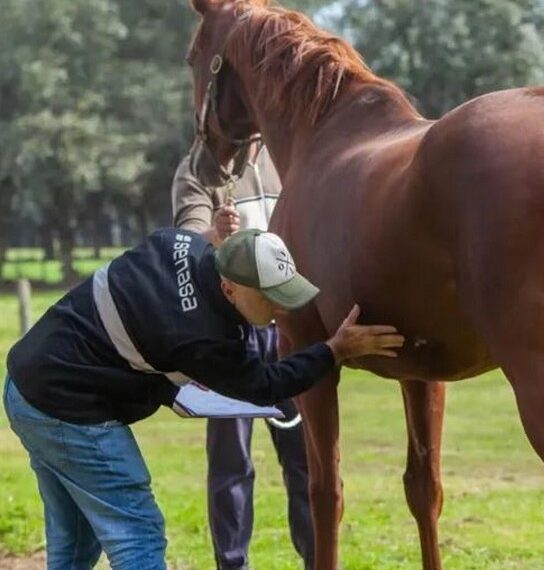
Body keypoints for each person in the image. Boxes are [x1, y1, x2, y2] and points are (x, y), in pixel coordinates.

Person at [4, 227, 404, 570]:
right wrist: (335, 349)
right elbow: (267, 385)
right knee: (137, 532)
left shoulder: (178, 242)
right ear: (229, 287)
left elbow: (150, 304)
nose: (282, 308)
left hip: (27, 383)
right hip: (65, 407)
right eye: (270, 298)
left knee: (77, 539)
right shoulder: (206, 336)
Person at [172, 145, 313, 570]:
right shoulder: (199, 169)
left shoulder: (290, 156)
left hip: (290, 326)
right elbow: (187, 243)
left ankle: (319, 558)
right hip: (231, 334)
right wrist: (216, 233)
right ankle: (233, 565)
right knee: (232, 462)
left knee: (306, 457)